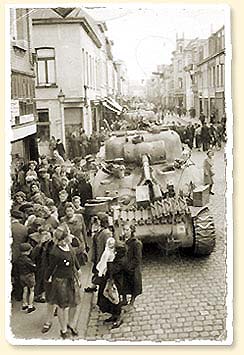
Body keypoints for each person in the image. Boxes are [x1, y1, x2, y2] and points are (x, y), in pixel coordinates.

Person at [46, 223, 82, 339]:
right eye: (69, 234)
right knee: (62, 306)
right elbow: (50, 268)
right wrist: (47, 281)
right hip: (61, 281)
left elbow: (73, 256)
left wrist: (78, 268)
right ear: (64, 238)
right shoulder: (55, 252)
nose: (71, 236)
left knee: (75, 303)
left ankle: (70, 324)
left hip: (72, 278)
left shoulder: (69, 245)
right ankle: (63, 329)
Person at [123, 224, 143, 307]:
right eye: (124, 230)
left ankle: (131, 302)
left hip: (132, 268)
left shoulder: (136, 243)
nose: (125, 232)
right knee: (123, 284)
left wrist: (130, 267)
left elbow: (137, 258)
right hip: (124, 266)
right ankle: (124, 300)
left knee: (134, 286)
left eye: (127, 230)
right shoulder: (123, 240)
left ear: (131, 231)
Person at [16, 242, 36, 313]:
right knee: (32, 290)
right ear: (28, 251)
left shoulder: (18, 259)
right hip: (29, 276)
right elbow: (33, 267)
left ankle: (24, 304)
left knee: (25, 290)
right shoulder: (27, 260)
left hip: (22, 276)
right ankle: (30, 306)